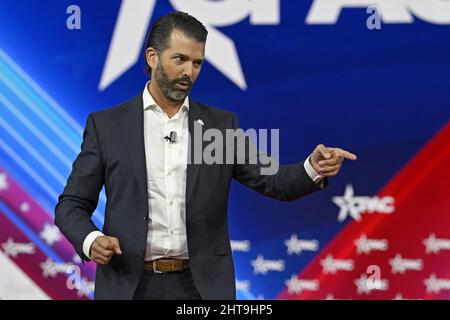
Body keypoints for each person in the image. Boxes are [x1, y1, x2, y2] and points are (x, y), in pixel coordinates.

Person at [55, 11, 357, 300]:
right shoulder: (107, 126)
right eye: (180, 59)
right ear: (152, 57)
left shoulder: (220, 126)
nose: (189, 72)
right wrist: (91, 240)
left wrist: (312, 168)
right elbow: (72, 204)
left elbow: (275, 181)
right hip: (130, 284)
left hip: (200, 287)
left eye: (197, 63)